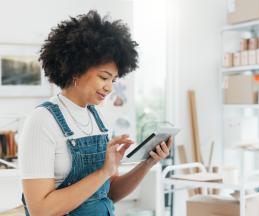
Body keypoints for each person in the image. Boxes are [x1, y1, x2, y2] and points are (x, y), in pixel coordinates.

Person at [19, 10, 172, 216]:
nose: (109, 88)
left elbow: (109, 193)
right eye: (104, 77)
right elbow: (40, 210)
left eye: (113, 80)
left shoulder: (97, 119)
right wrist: (104, 172)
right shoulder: (42, 121)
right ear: (76, 69)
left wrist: (148, 163)